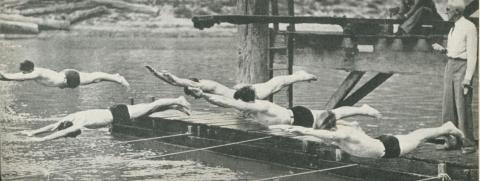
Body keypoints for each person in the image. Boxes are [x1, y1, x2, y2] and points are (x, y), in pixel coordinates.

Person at [186, 87, 381, 127]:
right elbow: (228, 101)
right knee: (332, 117)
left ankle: (363, 109)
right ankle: (354, 122)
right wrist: (206, 97)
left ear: (247, 101)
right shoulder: (254, 106)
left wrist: (204, 96)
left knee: (333, 115)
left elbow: (226, 103)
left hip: (300, 119)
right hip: (295, 114)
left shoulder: (258, 106)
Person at [19, 96, 191, 142]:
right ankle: (175, 106)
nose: (76, 133)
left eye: (72, 133)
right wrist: (32, 132)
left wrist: (42, 141)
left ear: (71, 128)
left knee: (151, 106)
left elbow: (56, 132)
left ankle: (177, 100)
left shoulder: (79, 122)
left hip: (119, 115)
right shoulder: (72, 117)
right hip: (116, 113)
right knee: (148, 111)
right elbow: (52, 126)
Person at [270, 121, 466, 158]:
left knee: (418, 136)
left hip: (388, 149)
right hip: (380, 142)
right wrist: (286, 129)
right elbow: (311, 132)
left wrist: (294, 128)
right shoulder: (343, 131)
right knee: (416, 135)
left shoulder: (340, 134)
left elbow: (315, 133)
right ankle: (445, 136)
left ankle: (447, 128)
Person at [432, 0, 477, 154]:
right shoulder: (454, 27)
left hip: (462, 68)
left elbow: (472, 55)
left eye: (448, 9)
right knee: (448, 106)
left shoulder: (469, 27)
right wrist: (443, 50)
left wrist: (468, 79)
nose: (446, 12)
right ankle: (451, 140)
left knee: (462, 106)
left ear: (457, 11)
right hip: (450, 66)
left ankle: (468, 144)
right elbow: (455, 51)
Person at [145, 65, 317, 100]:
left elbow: (179, 83)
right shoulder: (205, 88)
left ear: (193, 85)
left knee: (277, 83)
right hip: (245, 94)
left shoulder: (205, 85)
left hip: (251, 93)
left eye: (191, 92)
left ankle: (301, 75)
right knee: (277, 84)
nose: (194, 96)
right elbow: (178, 84)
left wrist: (171, 76)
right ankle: (299, 76)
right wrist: (158, 75)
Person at [0, 60, 130, 89]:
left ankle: (117, 78)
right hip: (66, 77)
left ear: (28, 70)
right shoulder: (34, 71)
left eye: (24, 71)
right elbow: (19, 76)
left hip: (69, 78)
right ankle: (115, 77)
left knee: (94, 77)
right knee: (94, 79)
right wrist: (4, 77)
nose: (23, 73)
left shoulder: (35, 73)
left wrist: (5, 76)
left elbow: (20, 77)